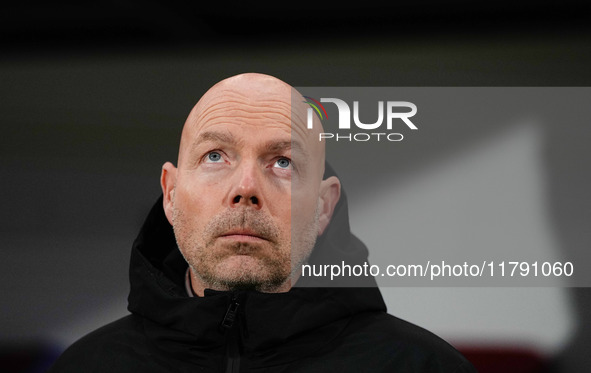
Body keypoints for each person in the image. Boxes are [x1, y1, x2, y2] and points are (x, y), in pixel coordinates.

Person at [48, 73, 477, 372]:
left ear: (325, 207)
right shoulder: (85, 367)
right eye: (215, 156)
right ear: (172, 193)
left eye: (283, 162)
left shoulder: (424, 368)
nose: (246, 187)